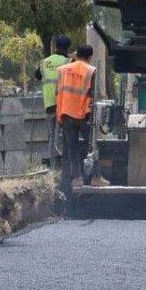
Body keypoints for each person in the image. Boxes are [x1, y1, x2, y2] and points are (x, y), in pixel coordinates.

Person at [55, 45, 97, 196]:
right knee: (91, 147)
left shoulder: (63, 70)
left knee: (72, 148)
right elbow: (93, 94)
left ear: (77, 54)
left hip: (66, 114)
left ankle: (77, 178)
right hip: (83, 115)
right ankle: (95, 177)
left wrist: (59, 114)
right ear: (90, 56)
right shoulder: (90, 70)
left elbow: (58, 93)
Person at [33, 35, 71, 168]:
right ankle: (64, 166)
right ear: (67, 48)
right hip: (63, 104)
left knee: (52, 136)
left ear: (55, 47)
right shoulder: (67, 62)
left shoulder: (44, 62)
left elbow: (37, 76)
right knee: (64, 136)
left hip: (49, 104)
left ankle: (53, 167)